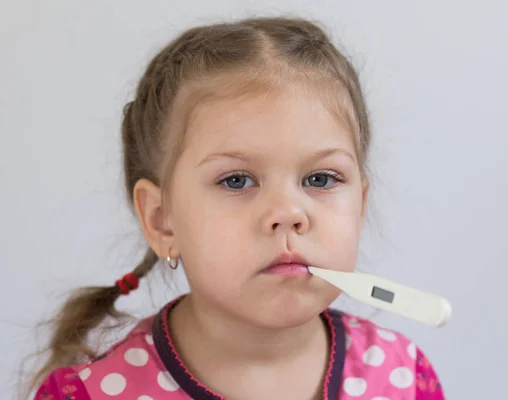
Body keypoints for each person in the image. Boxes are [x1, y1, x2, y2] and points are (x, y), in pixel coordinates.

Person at [30, 16, 445, 400]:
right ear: (162, 221)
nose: (288, 213)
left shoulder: (404, 377)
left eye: (320, 179)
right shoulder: (91, 393)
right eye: (237, 181)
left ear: (359, 206)